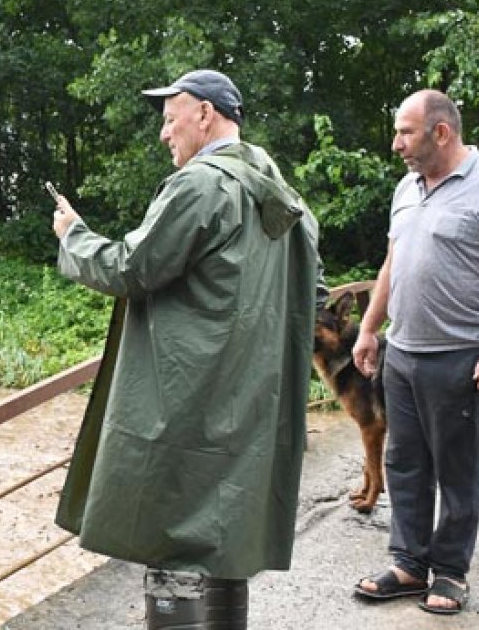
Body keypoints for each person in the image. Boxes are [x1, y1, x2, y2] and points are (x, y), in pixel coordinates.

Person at [49, 69, 321, 629]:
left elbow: (131, 267)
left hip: (188, 405)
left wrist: (74, 234)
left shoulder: (202, 185)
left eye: (170, 120)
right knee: (223, 543)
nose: (163, 134)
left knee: (175, 542)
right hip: (248, 408)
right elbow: (312, 292)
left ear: (205, 114)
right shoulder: (284, 195)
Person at [352, 90, 479, 615]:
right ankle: (408, 562)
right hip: (403, 353)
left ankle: (450, 573)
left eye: (405, 132)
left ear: (441, 131)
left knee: (458, 468)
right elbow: (392, 263)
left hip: (462, 356)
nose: (396, 144)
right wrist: (369, 329)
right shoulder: (406, 188)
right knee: (405, 462)